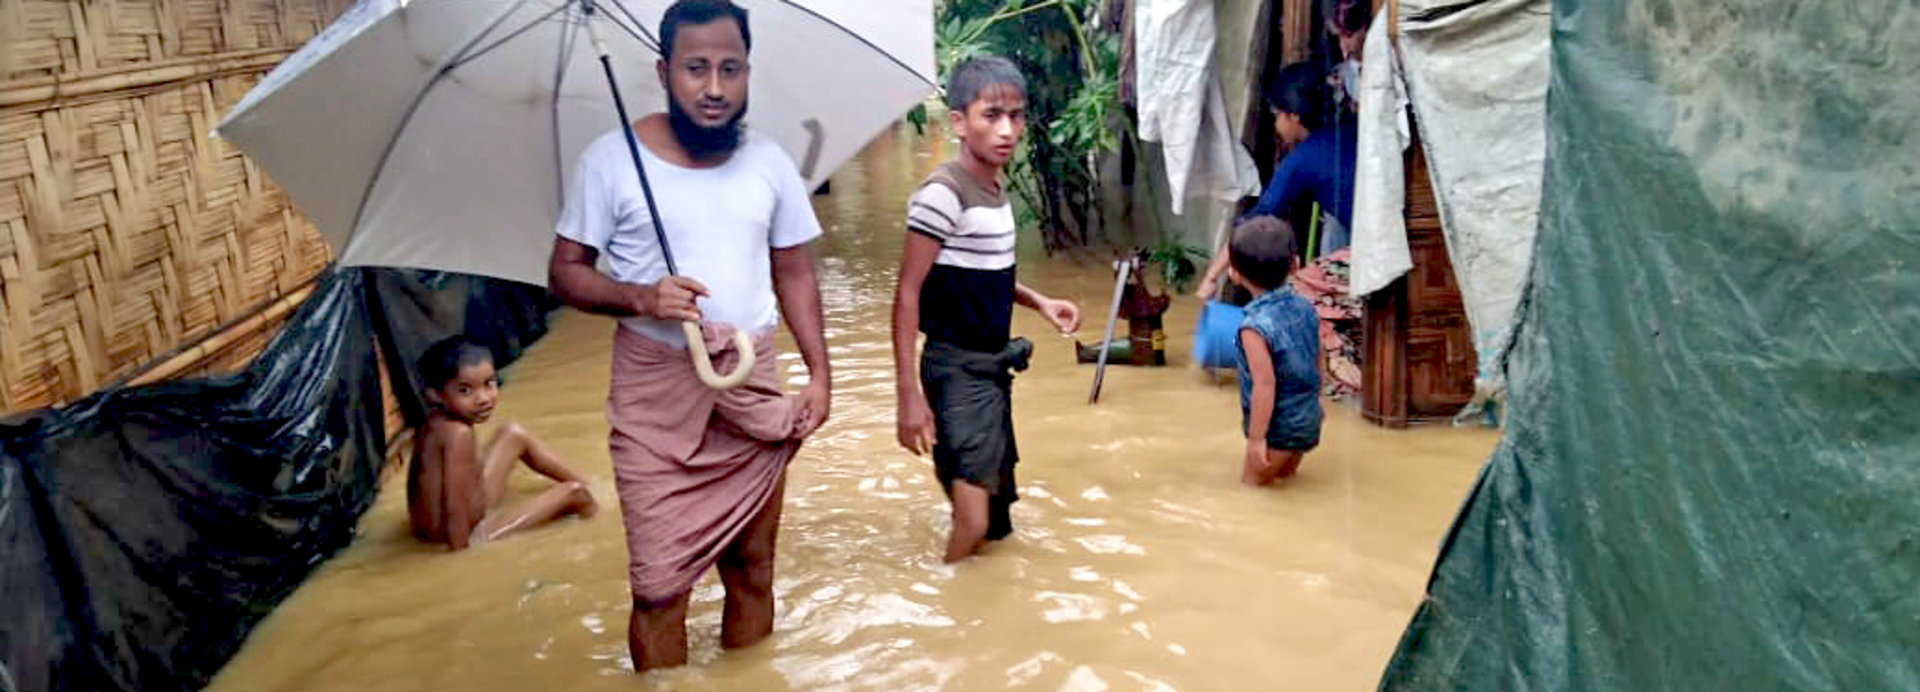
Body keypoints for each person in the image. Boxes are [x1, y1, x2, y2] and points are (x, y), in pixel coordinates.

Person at [546, 0, 832, 672]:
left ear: (747, 72)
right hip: (655, 399)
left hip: (752, 385)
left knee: (754, 570)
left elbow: (793, 271)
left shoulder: (769, 162)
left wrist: (820, 375)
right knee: (658, 590)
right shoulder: (610, 162)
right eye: (696, 68)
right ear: (663, 70)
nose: (713, 87)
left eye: (730, 69)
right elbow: (564, 272)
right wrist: (640, 296)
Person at [892, 56, 1081, 564]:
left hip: (991, 368)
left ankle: (984, 622)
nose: (1007, 130)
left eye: (1016, 116)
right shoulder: (942, 194)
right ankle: (944, 612)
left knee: (997, 526)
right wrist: (908, 394)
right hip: (957, 371)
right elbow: (908, 291)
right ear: (958, 122)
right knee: (973, 523)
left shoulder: (994, 192)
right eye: (991, 115)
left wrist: (1040, 302)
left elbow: (983, 273)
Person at [406, 336, 598, 551]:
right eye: (465, 390)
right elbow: (454, 510)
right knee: (576, 493)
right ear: (435, 395)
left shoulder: (436, 420)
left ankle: (595, 488)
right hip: (466, 534)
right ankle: (599, 519)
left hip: (465, 511)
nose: (484, 398)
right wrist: (460, 558)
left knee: (513, 433)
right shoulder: (458, 433)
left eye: (489, 384)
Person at [1195, 62, 1357, 296]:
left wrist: (1211, 277)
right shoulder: (1348, 130)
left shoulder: (1303, 160)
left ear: (1294, 116)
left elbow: (1253, 222)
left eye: (1276, 115)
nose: (1275, 124)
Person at [1227, 216, 1323, 486]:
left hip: (1277, 430)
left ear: (1234, 272)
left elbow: (1264, 385)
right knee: (1286, 482)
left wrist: (1257, 439)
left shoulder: (1253, 328)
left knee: (1252, 491)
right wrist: (1316, 403)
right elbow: (1318, 355)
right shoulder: (1306, 307)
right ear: (1295, 264)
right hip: (1308, 418)